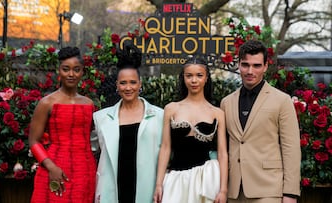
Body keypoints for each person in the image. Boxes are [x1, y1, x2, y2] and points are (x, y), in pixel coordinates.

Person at [220, 40, 301, 203]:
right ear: (238, 65)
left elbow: (291, 148)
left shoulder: (282, 100)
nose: (250, 71)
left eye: (256, 65)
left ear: (265, 66)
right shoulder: (226, 102)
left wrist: (290, 193)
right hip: (234, 191)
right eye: (245, 65)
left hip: (268, 189)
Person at [93, 44, 164, 203]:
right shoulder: (101, 118)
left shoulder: (159, 116)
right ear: (117, 86)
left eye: (133, 82)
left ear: (140, 84)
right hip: (112, 190)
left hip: (147, 189)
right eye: (123, 83)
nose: (128, 87)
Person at [153, 57, 228, 203]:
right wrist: (158, 184)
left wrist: (223, 190)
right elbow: (165, 148)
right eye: (189, 76)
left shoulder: (217, 113)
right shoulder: (171, 108)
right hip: (176, 179)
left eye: (199, 75)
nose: (194, 80)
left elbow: (223, 153)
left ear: (206, 78)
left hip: (205, 179)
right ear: (183, 78)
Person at [29, 46, 96, 202]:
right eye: (66, 69)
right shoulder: (46, 103)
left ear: (82, 72)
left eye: (76, 70)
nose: (71, 74)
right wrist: (51, 167)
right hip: (54, 168)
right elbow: (33, 141)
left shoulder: (89, 104)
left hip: (85, 170)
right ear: (59, 71)